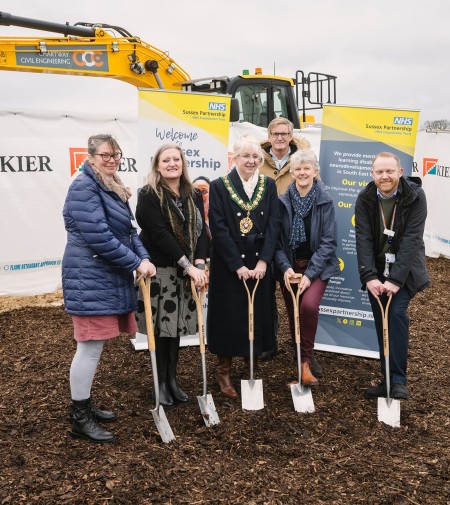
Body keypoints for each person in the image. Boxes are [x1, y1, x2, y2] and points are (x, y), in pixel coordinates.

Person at [62, 134, 156, 444]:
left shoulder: (112, 186)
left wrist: (143, 257)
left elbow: (130, 232)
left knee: (95, 347)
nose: (111, 159)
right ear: (90, 157)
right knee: (88, 347)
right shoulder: (84, 187)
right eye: (105, 155)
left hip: (105, 278)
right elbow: (99, 238)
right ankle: (79, 417)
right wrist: (135, 263)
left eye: (115, 154)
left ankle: (85, 404)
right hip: (88, 278)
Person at [135, 143, 208, 410]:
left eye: (176, 159)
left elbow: (201, 231)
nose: (172, 164)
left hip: (185, 270)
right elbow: (160, 235)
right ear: (157, 165)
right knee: (162, 329)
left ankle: (172, 379)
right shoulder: (148, 195)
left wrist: (200, 262)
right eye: (166, 160)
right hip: (160, 270)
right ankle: (161, 382)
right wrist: (189, 267)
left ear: (182, 163)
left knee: (175, 328)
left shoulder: (193, 194)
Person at [207, 136, 280, 398]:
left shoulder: (268, 185)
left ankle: (252, 366)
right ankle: (223, 372)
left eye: (256, 157)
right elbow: (218, 227)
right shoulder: (219, 186)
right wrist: (236, 265)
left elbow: (274, 224)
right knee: (228, 314)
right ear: (234, 158)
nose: (251, 161)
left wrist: (263, 261)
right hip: (229, 263)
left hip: (259, 260)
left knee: (257, 312)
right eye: (245, 156)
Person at [355, 152, 429, 400]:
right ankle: (386, 379)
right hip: (376, 271)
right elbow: (363, 239)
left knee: (395, 315)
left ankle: (398, 381)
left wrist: (395, 280)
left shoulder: (415, 196)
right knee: (381, 321)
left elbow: (411, 240)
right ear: (372, 174)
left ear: (400, 171)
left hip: (405, 272)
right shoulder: (365, 198)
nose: (384, 176)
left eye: (389, 171)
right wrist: (369, 277)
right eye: (379, 172)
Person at [260, 118, 323, 377]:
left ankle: (305, 353)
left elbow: (316, 192)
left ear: (291, 135)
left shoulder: (301, 160)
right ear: (269, 135)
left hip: (290, 237)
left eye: (284, 133)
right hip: (263, 236)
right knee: (265, 294)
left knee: (299, 301)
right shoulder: (259, 161)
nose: (280, 138)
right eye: (275, 133)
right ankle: (269, 341)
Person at [275, 149, 340, 386]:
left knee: (308, 306)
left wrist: (310, 275)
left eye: (307, 168)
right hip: (290, 268)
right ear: (291, 173)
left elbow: (329, 242)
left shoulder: (325, 201)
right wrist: (284, 268)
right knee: (293, 313)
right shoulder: (281, 201)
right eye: (298, 169)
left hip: (317, 268)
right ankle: (300, 358)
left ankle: (305, 365)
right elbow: (277, 243)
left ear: (315, 171)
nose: (302, 172)